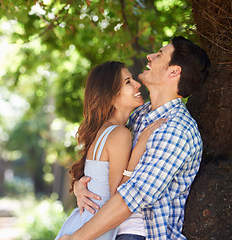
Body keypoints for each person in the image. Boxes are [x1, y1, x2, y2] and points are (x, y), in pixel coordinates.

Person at [59, 36, 211, 240]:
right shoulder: (140, 115)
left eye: (159, 55)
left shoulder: (178, 129)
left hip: (138, 234)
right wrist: (82, 185)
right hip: (109, 231)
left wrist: (75, 238)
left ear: (174, 71)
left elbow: (131, 197)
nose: (150, 56)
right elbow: (108, 161)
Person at [55, 61, 166, 240]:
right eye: (128, 82)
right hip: (96, 230)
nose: (137, 84)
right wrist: (138, 150)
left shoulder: (106, 131)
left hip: (84, 222)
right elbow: (119, 194)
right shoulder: (119, 134)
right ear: (111, 96)